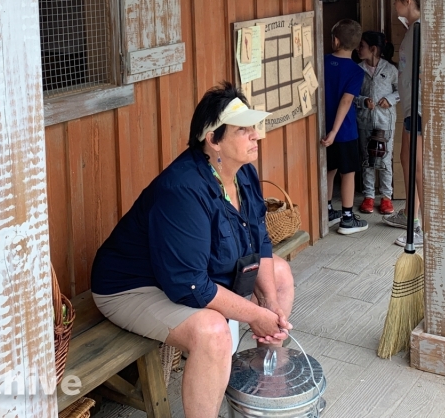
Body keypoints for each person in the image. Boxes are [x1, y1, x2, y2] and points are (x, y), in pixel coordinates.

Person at [90, 84, 294, 418]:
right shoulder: (182, 188)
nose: (256, 135)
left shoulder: (244, 175)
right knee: (212, 333)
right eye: (243, 129)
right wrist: (255, 314)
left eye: (253, 127)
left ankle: (263, 379)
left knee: (280, 276)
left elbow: (261, 243)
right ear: (213, 140)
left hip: (186, 275)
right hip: (132, 287)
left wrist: (269, 303)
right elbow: (190, 285)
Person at [383, 0, 423, 247]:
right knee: (407, 158)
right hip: (411, 107)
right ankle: (412, 215)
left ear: (408, 1)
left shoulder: (421, 31)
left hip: (419, 108)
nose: (395, 4)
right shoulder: (413, 29)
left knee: (419, 166)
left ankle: (427, 230)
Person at [322, 18, 368, 235]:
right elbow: (347, 101)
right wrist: (335, 131)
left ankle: (328, 209)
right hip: (345, 131)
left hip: (323, 128)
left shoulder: (322, 62)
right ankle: (347, 218)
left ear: (335, 40)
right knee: (347, 173)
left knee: (329, 169)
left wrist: (329, 131)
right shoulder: (356, 71)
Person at [356, 31, 398, 216]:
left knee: (385, 159)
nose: (358, 49)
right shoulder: (358, 70)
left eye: (362, 46)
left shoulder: (390, 70)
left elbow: (402, 90)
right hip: (365, 121)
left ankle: (386, 197)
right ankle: (369, 196)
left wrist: (390, 99)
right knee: (367, 159)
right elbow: (352, 95)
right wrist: (363, 101)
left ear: (373, 49)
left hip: (385, 122)